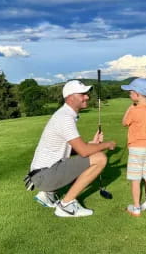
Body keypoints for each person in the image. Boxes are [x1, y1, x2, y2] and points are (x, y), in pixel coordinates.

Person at [26, 80, 116, 218]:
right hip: (44, 175)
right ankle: (66, 205)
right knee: (100, 158)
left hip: (40, 174)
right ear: (70, 97)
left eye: (86, 94)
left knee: (91, 155)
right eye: (82, 94)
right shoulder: (65, 118)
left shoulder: (64, 114)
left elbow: (72, 149)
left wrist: (92, 144)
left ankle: (47, 195)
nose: (87, 97)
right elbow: (84, 151)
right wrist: (107, 145)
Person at [121, 78, 146, 216]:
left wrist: (131, 107)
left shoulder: (133, 110)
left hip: (136, 148)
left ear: (137, 94)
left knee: (136, 179)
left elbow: (124, 122)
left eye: (131, 92)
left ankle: (136, 208)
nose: (129, 94)